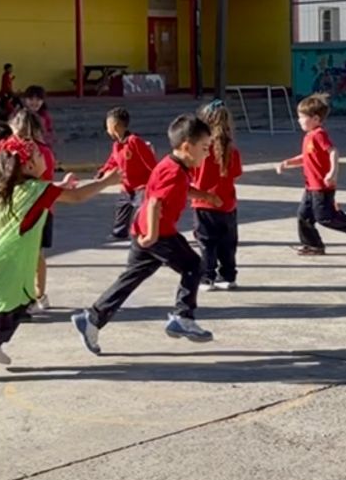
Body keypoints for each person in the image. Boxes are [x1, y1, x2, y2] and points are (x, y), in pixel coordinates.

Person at [0, 137, 122, 383]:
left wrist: (60, 185)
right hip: (3, 266)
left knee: (16, 310)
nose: (44, 157)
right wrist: (108, 181)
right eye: (38, 155)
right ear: (26, 166)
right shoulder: (37, 191)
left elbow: (45, 193)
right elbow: (77, 197)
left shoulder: (4, 186)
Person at [71, 114, 220, 355]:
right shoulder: (173, 172)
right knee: (193, 266)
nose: (207, 153)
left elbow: (179, 191)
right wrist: (151, 235)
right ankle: (183, 317)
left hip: (143, 231)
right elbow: (154, 203)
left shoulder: (174, 166)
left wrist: (205, 196)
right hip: (158, 233)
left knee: (131, 278)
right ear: (186, 146)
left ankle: (92, 319)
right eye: (204, 148)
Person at [277, 92, 346, 256]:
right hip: (310, 187)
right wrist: (288, 163)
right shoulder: (309, 136)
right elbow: (306, 157)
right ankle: (313, 245)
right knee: (303, 216)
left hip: (322, 186)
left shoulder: (319, 134)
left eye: (302, 117)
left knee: (325, 217)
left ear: (315, 119)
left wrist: (332, 172)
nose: (299, 120)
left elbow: (333, 151)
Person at [10, 108, 74, 313]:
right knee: (32, 254)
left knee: (34, 254)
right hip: (30, 207)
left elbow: (40, 181)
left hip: (37, 208)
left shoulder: (35, 152)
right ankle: (33, 293)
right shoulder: (23, 150)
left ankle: (37, 294)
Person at [192, 100, 243, 291]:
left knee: (206, 243)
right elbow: (236, 173)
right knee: (228, 243)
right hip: (227, 203)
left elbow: (193, 174)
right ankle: (228, 276)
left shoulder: (202, 150)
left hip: (203, 202)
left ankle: (207, 277)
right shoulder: (232, 150)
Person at [96, 107, 157, 241]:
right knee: (122, 208)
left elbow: (150, 162)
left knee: (144, 210)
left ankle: (148, 231)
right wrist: (102, 171)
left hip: (142, 185)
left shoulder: (134, 141)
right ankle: (120, 232)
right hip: (127, 185)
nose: (107, 130)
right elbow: (112, 161)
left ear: (115, 126)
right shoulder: (117, 145)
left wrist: (157, 179)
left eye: (108, 126)